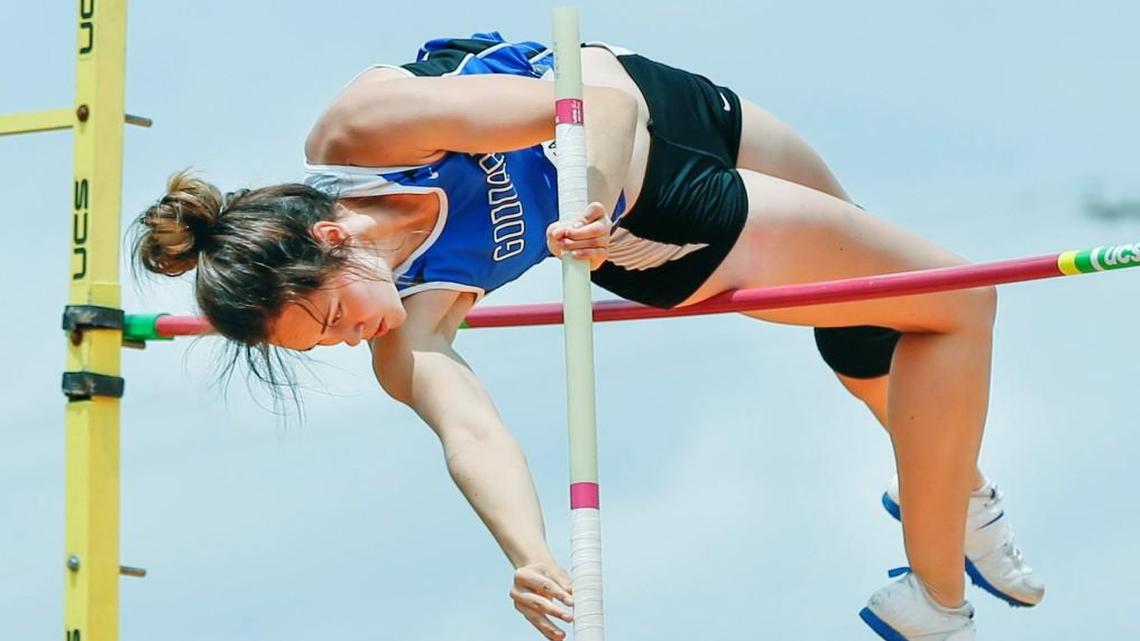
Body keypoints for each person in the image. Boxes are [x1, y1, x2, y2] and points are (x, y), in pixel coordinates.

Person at [133, 32, 1043, 641]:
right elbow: (470, 433)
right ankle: (938, 596)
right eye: (321, 347)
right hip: (660, 219)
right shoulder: (410, 326)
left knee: (883, 308)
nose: (348, 338)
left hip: (658, 108)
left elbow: (594, 95)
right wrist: (529, 555)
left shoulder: (361, 132)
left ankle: (952, 496)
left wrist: (589, 187)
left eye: (330, 316)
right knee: (956, 299)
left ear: (329, 238)